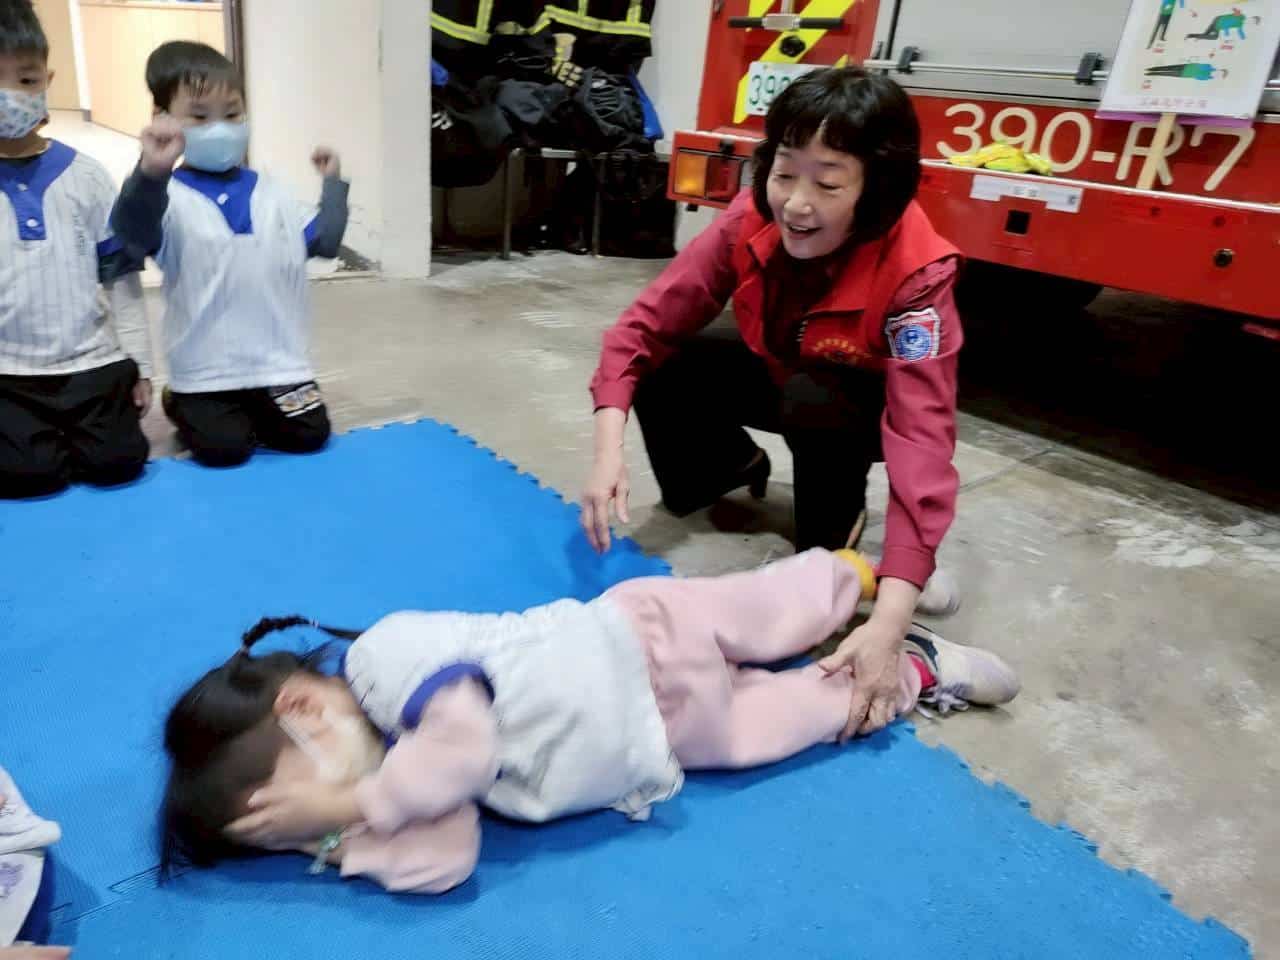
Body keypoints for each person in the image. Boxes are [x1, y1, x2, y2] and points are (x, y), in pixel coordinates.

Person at [159, 549, 1019, 894]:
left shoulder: (387, 661)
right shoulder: (400, 782)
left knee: (779, 608)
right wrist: (354, 846)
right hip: (666, 743)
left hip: (645, 634)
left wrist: (343, 809)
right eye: (295, 846)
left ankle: (872, 580)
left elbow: (462, 746)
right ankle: (911, 671)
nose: (315, 835)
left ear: (304, 710)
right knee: (802, 714)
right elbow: (449, 859)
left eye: (291, 812)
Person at [582, 67, 966, 738]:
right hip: (782, 363)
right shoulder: (750, 215)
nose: (795, 203)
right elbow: (644, 326)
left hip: (853, 404)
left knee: (818, 570)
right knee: (671, 361)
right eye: (786, 171)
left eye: (828, 181)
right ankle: (731, 465)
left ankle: (856, 546)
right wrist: (607, 452)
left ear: (875, 190)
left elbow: (922, 445)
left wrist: (893, 616)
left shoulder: (917, 275)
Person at [110, 41, 348, 468]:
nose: (219, 127)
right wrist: (150, 173)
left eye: (233, 114)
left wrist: (333, 184)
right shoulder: (167, 196)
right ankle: (179, 399)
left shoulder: (271, 191)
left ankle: (259, 405)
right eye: (200, 116)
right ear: (164, 120)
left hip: (279, 364)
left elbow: (325, 242)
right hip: (205, 369)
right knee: (223, 450)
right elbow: (131, 234)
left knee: (309, 436)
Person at [0, 0, 152, 499]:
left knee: (121, 464)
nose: (9, 95)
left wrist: (140, 365)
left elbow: (121, 277)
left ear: (47, 78)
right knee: (27, 477)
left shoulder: (87, 175)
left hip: (91, 361)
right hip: (10, 371)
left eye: (24, 80)